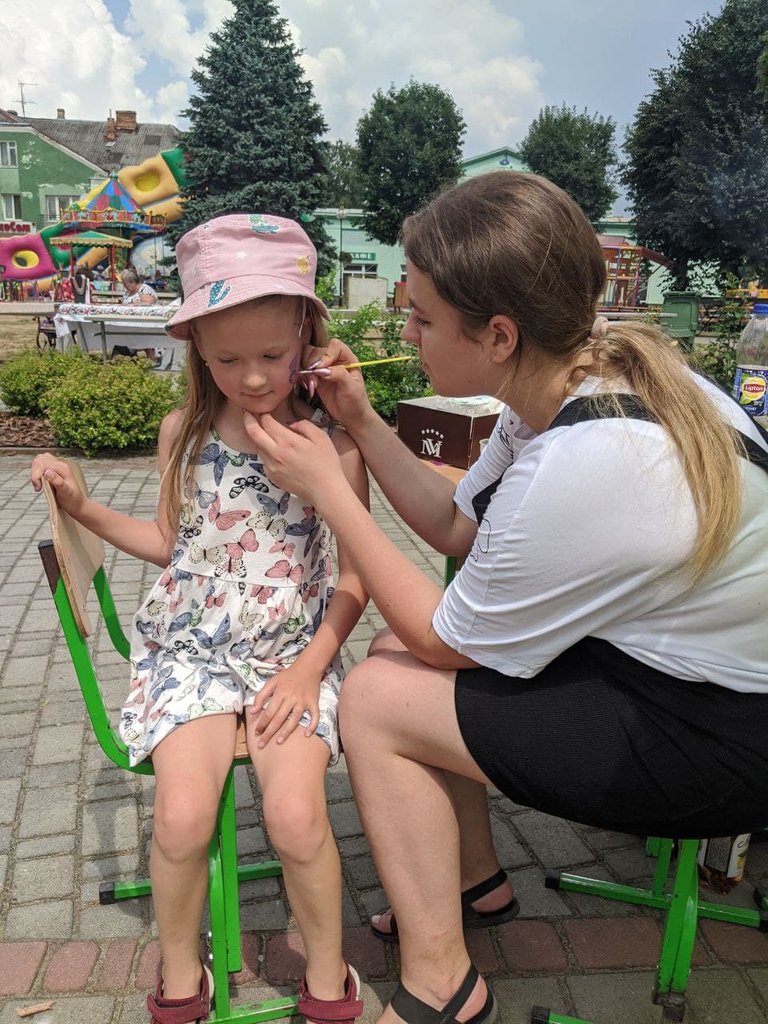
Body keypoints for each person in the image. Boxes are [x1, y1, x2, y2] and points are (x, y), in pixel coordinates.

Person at [243, 171, 768, 1024]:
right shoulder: (571, 388)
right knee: (389, 659)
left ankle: (441, 985)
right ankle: (475, 881)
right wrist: (366, 424)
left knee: (378, 696)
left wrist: (331, 494)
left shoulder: (586, 464)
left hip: (720, 738)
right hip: (691, 682)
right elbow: (454, 525)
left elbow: (445, 638)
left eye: (420, 317)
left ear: (496, 335)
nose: (404, 332)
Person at [30, 213, 369, 1024]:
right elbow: (168, 544)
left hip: (294, 656)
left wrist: (309, 668)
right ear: (197, 352)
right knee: (181, 820)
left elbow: (356, 580)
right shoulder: (182, 432)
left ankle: (330, 977)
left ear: (308, 341)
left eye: (271, 357)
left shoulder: (334, 443)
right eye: (226, 359)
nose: (251, 378)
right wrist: (82, 507)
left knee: (293, 818)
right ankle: (182, 973)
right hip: (192, 657)